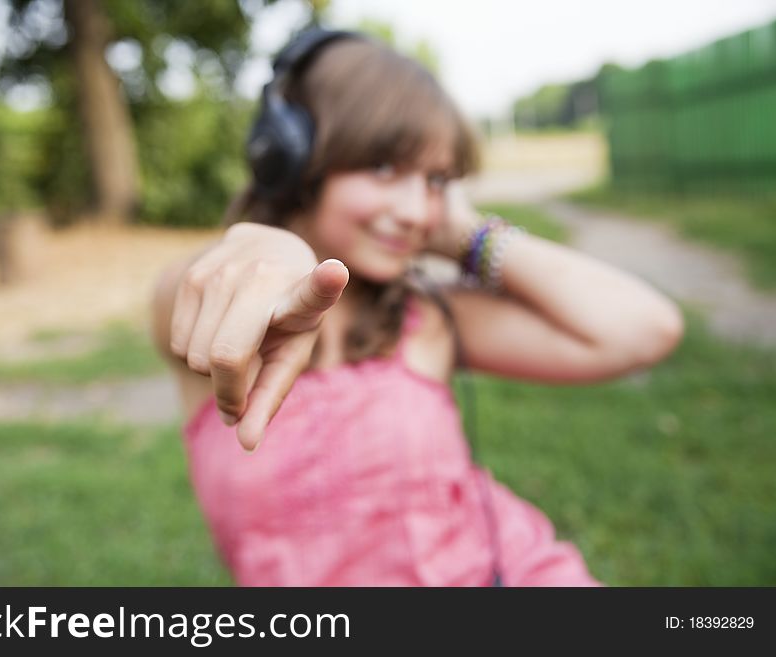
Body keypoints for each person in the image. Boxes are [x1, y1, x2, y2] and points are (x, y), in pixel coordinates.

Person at [150, 28, 684, 586]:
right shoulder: (211, 309)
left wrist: (466, 234)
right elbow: (193, 284)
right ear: (290, 160)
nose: (412, 210)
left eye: (434, 180)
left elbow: (645, 328)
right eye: (384, 168)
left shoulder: (426, 321)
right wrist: (276, 247)